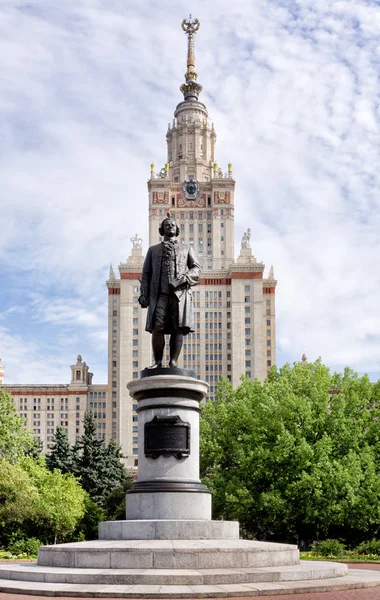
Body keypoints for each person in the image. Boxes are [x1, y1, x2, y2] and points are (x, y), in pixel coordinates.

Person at [138, 213, 201, 368]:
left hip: (179, 294)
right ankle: (158, 362)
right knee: (157, 327)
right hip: (159, 294)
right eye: (167, 225)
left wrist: (183, 279)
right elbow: (145, 274)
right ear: (162, 230)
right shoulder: (152, 251)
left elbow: (196, 268)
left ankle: (173, 362)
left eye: (173, 225)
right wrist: (143, 294)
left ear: (177, 229)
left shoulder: (186, 248)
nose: (170, 226)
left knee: (177, 327)